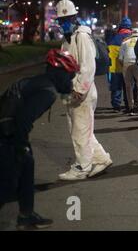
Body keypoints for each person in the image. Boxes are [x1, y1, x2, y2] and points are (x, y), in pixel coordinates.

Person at [0, 49, 79, 230]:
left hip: (8, 132)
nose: (71, 80)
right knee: (7, 184)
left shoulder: (40, 82)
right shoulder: (48, 92)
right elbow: (23, 121)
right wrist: (21, 147)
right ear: (61, 74)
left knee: (27, 168)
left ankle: (26, 214)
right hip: (7, 136)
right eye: (70, 75)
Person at [56, 0, 113, 181]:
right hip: (73, 90)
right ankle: (101, 159)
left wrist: (79, 90)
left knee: (80, 130)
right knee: (82, 129)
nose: (64, 22)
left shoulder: (81, 36)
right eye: (61, 19)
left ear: (74, 17)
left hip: (82, 92)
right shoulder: (68, 39)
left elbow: (88, 67)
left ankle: (82, 167)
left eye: (68, 18)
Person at [108, 17, 132, 112]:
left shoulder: (114, 38)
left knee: (116, 86)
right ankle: (128, 104)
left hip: (115, 67)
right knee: (128, 85)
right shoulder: (131, 37)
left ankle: (116, 105)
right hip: (128, 65)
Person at [119, 28, 138, 116]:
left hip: (126, 63)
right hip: (137, 63)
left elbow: (120, 58)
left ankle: (130, 108)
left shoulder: (125, 42)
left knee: (128, 86)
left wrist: (125, 66)